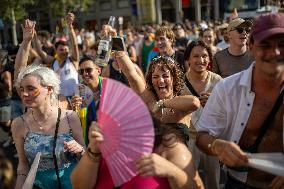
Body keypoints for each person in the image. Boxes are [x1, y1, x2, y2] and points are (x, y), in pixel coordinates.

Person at [196, 13, 284, 189]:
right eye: (265, 45)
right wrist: (216, 145)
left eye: (282, 45)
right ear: (251, 46)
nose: (275, 52)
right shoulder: (227, 89)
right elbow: (202, 135)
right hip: (240, 183)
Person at [12, 20, 85, 189]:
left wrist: (80, 149)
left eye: (31, 89)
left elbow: (86, 156)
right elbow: (23, 165)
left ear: (49, 89)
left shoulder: (70, 117)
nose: (24, 94)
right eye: (22, 89)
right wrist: (26, 42)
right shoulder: (19, 124)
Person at [71, 120, 204, 189]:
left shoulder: (168, 147)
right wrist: (93, 150)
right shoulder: (103, 146)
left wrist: (172, 171)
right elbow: (79, 186)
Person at [116, 51, 200, 127]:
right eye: (155, 77)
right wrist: (117, 49)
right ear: (151, 80)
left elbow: (194, 103)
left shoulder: (181, 102)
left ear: (174, 79)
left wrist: (161, 104)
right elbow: (132, 75)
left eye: (165, 76)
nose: (160, 80)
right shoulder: (148, 98)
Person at [183, 40, 222, 189]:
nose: (201, 60)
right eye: (196, 56)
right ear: (188, 59)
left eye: (205, 56)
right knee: (189, 183)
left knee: (214, 183)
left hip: (212, 139)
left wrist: (215, 101)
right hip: (189, 141)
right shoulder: (179, 83)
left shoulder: (218, 81)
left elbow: (229, 111)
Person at [33, 13, 79, 98]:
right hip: (60, 100)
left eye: (66, 49)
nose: (64, 52)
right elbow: (39, 51)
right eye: (61, 50)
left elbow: (75, 45)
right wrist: (34, 35)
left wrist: (70, 27)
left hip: (75, 98)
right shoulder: (53, 61)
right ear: (56, 51)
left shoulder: (73, 59)